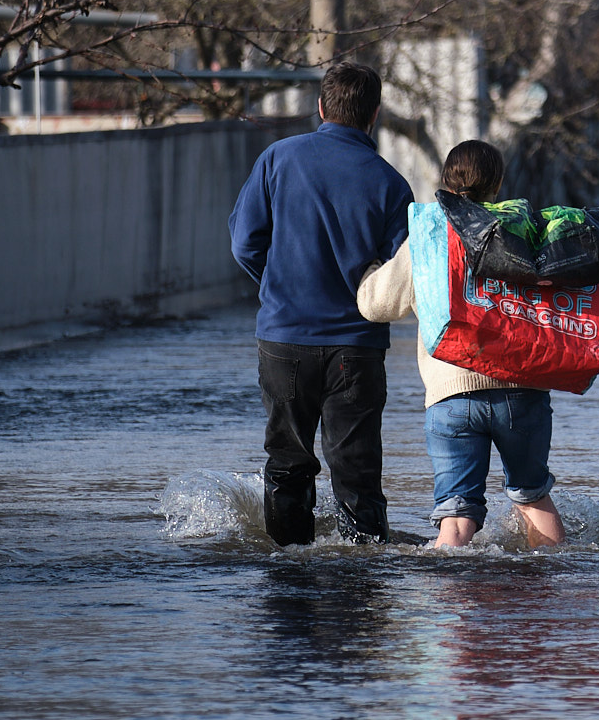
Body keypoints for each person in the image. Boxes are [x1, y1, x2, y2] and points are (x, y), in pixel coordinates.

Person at [229, 63, 413, 546]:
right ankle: (362, 583)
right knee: (356, 473)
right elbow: (402, 275)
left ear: (320, 107)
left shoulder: (277, 158)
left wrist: (275, 289)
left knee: (287, 464)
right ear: (375, 114)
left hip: (283, 338)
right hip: (356, 347)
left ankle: (289, 575)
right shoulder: (391, 183)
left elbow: (245, 243)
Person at [356, 140, 567, 550]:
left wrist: (370, 267)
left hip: (452, 395)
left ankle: (449, 610)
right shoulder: (523, 232)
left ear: (446, 183)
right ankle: (548, 594)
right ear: (498, 184)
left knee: (456, 518)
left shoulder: (431, 235)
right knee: (533, 498)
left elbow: (375, 305)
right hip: (521, 393)